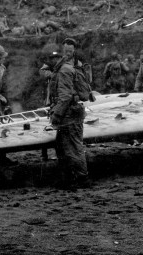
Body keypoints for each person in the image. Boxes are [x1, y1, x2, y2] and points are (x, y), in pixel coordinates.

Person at [48, 37, 95, 189]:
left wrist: (56, 115)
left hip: (69, 113)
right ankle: (69, 178)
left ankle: (82, 178)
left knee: (73, 147)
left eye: (69, 50)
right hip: (70, 112)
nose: (66, 53)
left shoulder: (65, 70)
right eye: (65, 50)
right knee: (64, 147)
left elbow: (65, 96)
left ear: (73, 52)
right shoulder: (66, 67)